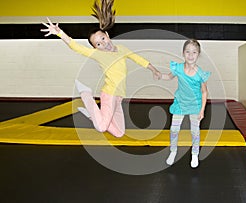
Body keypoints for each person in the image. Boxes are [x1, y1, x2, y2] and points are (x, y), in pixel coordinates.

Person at [40, 0, 161, 138]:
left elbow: (137, 59)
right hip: (109, 94)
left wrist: (153, 69)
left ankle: (92, 115)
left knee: (120, 133)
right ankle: (86, 94)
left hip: (119, 98)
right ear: (96, 48)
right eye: (98, 44)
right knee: (102, 127)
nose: (103, 44)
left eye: (103, 38)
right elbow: (76, 47)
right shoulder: (100, 55)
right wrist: (59, 33)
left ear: (107, 36)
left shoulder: (121, 49)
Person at [161, 39, 211, 168]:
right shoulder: (177, 68)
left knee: (195, 131)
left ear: (198, 54)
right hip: (180, 104)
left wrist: (202, 110)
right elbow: (168, 76)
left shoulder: (200, 74)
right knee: (174, 129)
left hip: (195, 105)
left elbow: (204, 92)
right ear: (183, 53)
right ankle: (173, 151)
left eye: (194, 52)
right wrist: (159, 76)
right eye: (187, 52)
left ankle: (195, 154)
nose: (190, 55)